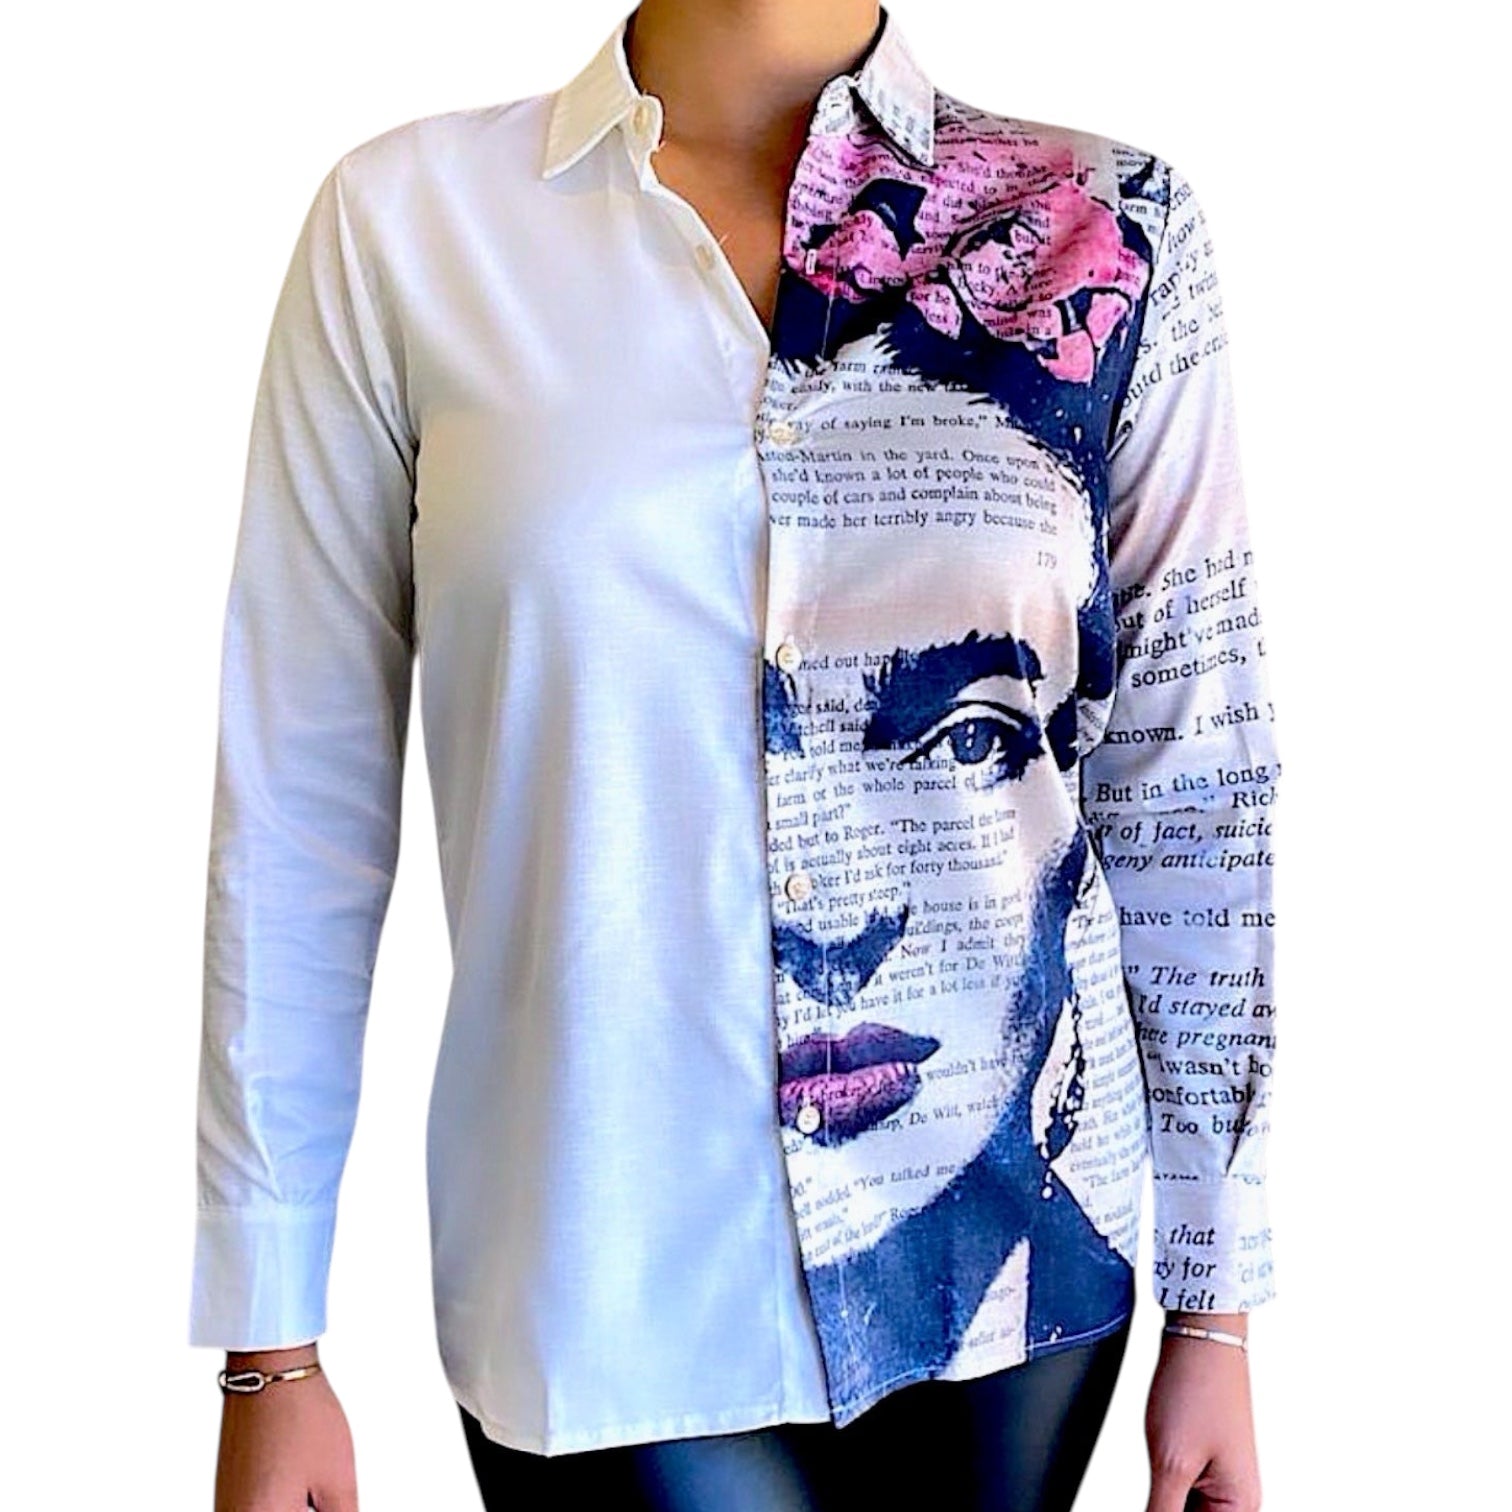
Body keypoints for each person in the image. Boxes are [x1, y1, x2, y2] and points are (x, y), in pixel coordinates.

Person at [190, 3, 1281, 1510]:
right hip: (600, 1269)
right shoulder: (408, 229)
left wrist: (1217, 1304)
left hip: (1017, 1294)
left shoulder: (1111, 227)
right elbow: (300, 794)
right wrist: (271, 1344)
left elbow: (1189, 781)